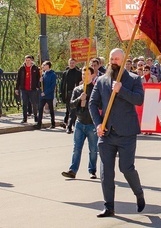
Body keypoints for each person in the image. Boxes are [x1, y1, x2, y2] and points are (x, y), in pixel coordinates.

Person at [89, 48, 145, 218]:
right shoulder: (101, 81)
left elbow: (139, 100)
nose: (114, 61)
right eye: (112, 58)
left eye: (117, 59)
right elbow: (92, 103)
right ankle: (109, 206)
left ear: (124, 60)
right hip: (106, 134)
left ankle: (139, 194)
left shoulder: (134, 79)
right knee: (106, 171)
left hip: (127, 133)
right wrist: (98, 124)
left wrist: (122, 90)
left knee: (126, 168)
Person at [61, 67, 98, 179]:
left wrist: (86, 103)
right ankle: (73, 170)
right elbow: (71, 104)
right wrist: (79, 100)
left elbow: (99, 105)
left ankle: (92, 170)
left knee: (93, 150)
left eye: (87, 74)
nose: (84, 76)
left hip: (91, 124)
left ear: (92, 75)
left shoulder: (96, 89)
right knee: (77, 148)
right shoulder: (77, 89)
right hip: (80, 123)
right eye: (83, 74)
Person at [15, 55, 41, 124]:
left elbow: (39, 78)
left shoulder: (35, 68)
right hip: (24, 89)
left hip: (32, 89)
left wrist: (38, 86)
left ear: (31, 61)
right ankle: (24, 118)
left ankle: (35, 116)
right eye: (26, 60)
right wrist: (17, 88)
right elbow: (18, 79)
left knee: (34, 103)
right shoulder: (21, 68)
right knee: (24, 104)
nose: (27, 62)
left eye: (29, 60)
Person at [59, 58, 82, 134]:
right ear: (68, 63)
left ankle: (69, 127)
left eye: (73, 63)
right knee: (69, 110)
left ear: (75, 64)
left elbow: (81, 83)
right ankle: (72, 125)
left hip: (75, 93)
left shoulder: (78, 73)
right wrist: (61, 94)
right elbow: (62, 84)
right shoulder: (65, 73)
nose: (72, 64)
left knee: (73, 110)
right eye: (70, 63)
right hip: (68, 93)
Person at [34, 61, 57, 130]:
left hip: (49, 95)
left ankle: (53, 123)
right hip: (42, 95)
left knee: (51, 110)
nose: (42, 66)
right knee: (40, 109)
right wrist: (40, 81)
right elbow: (39, 85)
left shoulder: (53, 74)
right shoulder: (43, 74)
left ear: (48, 66)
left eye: (44, 65)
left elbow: (52, 86)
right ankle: (39, 123)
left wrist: (46, 93)